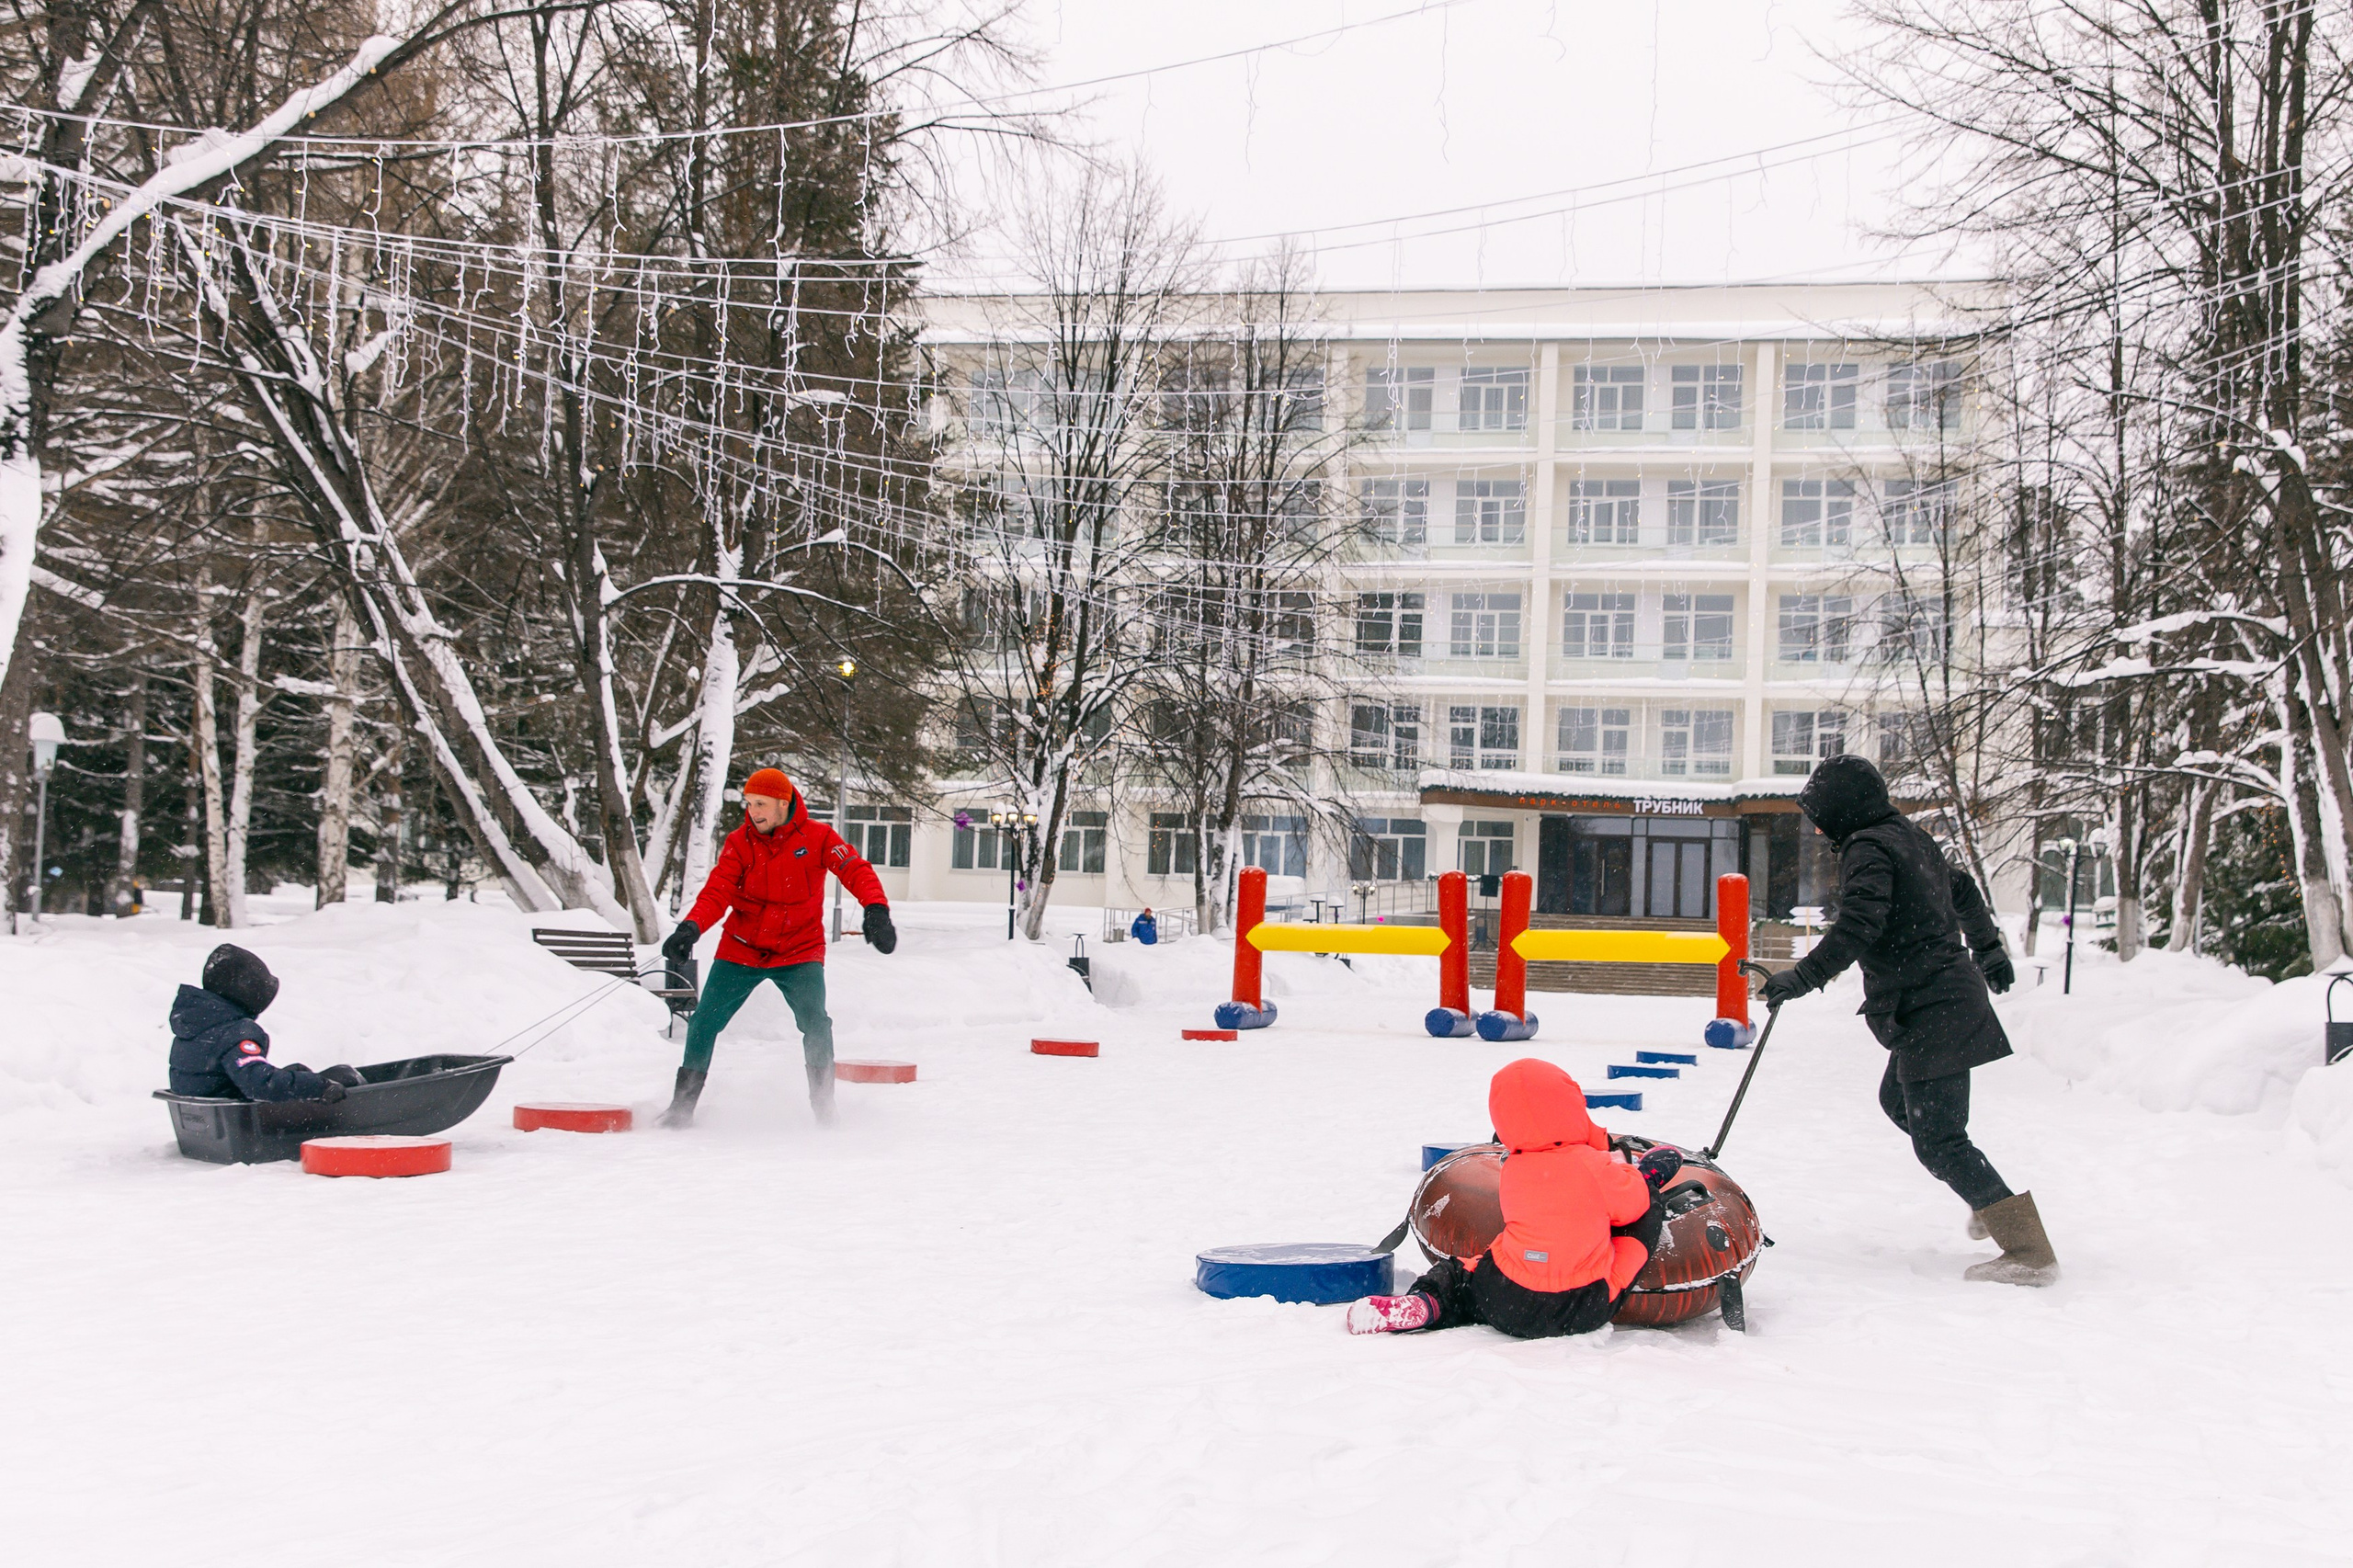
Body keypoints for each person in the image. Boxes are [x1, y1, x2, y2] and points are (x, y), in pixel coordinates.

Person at [1760, 754, 2056, 1287]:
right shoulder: (1907, 836)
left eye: (1821, 814)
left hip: (1933, 1004)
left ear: (1846, 811)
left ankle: (2028, 1251)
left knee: (1940, 1138)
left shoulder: (1870, 847)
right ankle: (1988, 1198)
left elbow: (1858, 926)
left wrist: (1800, 978)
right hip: (1934, 1001)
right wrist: (1989, 951)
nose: (1819, 825)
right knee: (1901, 1104)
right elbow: (1961, 889)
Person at [1347, 1058, 1686, 1337]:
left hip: (1505, 1296)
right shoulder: (1593, 1166)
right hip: (1578, 1306)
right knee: (1641, 1214)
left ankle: (1427, 1304)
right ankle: (1650, 1176)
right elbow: (1627, 1207)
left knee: (1459, 1274)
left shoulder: (1513, 1168)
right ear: (1572, 1106)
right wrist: (1639, 1177)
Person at [657, 767, 896, 1128]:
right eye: (749, 803)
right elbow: (718, 890)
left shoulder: (818, 837)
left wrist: (876, 908)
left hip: (798, 951)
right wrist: (691, 928)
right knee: (704, 1021)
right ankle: (681, 1109)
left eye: (761, 804)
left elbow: (854, 869)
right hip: (742, 949)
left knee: (816, 1023)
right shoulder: (739, 842)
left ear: (783, 803)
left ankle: (825, 1111)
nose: (753, 812)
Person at [167, 944, 360, 1101]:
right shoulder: (235, 1032)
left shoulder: (200, 1026)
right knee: (346, 1077)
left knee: (300, 1073)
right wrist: (320, 1087)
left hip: (213, 1125)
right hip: (244, 1130)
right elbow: (258, 1084)